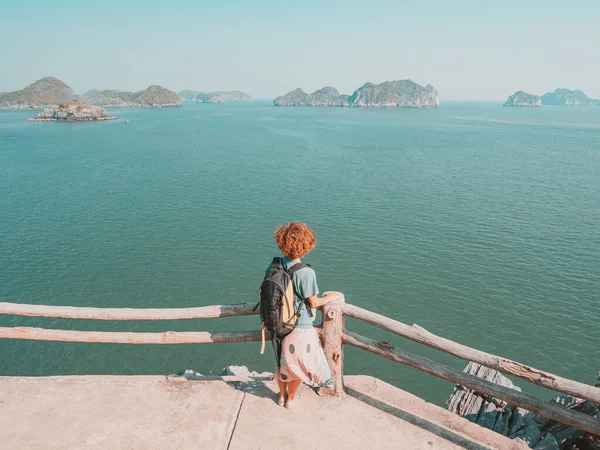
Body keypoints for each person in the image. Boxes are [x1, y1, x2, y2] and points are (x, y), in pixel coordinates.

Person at [268, 222, 337, 408]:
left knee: (283, 363)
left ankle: (281, 396)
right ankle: (291, 398)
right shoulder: (306, 272)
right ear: (306, 246)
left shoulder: (275, 263)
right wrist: (331, 297)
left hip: (277, 323)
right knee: (297, 366)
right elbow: (313, 302)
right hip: (300, 326)